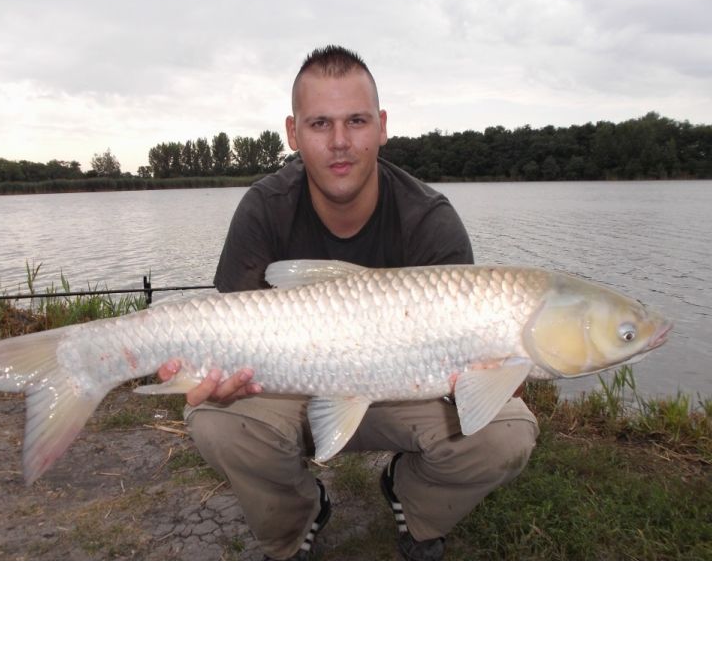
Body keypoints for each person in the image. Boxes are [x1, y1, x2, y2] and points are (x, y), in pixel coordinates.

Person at [158, 45, 539, 560]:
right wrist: (218, 376)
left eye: (356, 121)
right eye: (319, 124)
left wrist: (491, 370)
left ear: (382, 126)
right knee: (217, 421)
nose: (340, 143)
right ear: (293, 134)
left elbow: (472, 377)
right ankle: (297, 517)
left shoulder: (429, 220)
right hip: (292, 384)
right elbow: (231, 333)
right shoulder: (264, 208)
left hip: (405, 391)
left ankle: (414, 500)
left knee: (507, 432)